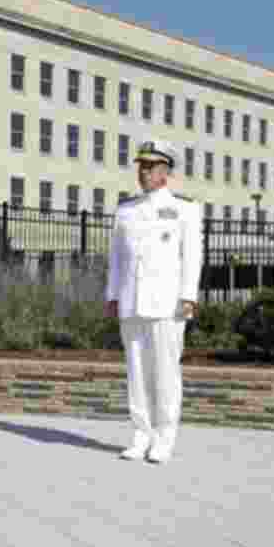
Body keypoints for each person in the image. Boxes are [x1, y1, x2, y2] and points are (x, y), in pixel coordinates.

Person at [105, 139, 203, 463]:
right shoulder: (126, 210)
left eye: (150, 166)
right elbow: (117, 258)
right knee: (136, 372)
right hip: (132, 302)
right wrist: (113, 295)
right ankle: (140, 433)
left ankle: (164, 437)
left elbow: (191, 256)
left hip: (167, 305)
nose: (143, 172)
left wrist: (189, 295)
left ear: (165, 172)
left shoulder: (184, 208)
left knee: (165, 372)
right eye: (141, 166)